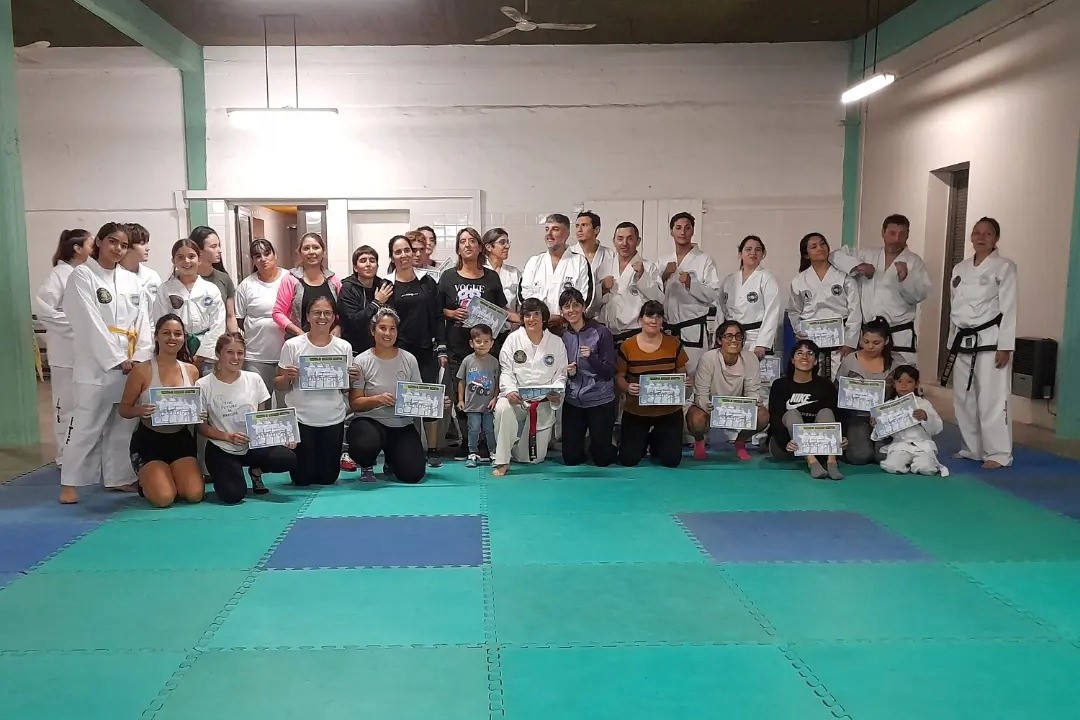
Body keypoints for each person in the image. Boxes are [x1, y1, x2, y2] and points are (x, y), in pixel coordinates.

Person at [59, 223, 153, 504]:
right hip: (96, 365)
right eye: (112, 242)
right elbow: (88, 321)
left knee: (123, 425)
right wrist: (117, 358)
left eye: (123, 245)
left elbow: (144, 321)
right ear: (99, 242)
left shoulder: (131, 281)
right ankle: (69, 482)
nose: (118, 249)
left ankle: (118, 477)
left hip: (130, 361)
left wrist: (140, 357)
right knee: (86, 425)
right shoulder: (83, 276)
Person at [942, 217, 1017, 469]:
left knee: (992, 398)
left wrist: (1005, 346)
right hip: (962, 339)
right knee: (963, 397)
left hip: (990, 340)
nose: (981, 237)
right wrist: (951, 343)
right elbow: (954, 308)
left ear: (996, 238)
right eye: (976, 232)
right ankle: (972, 448)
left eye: (987, 233)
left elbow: (1009, 308)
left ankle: (998, 453)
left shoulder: (1004, 267)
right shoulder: (960, 269)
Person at [438, 227, 512, 460]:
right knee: (463, 394)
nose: (467, 245)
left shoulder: (491, 277)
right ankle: (467, 441)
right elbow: (436, 310)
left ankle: (485, 441)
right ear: (458, 248)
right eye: (462, 241)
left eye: (472, 241)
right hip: (458, 347)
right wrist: (451, 313)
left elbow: (502, 310)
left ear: (480, 247)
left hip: (486, 348)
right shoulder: (448, 277)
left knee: (486, 391)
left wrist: (527, 318)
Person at [198, 333, 298, 503]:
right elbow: (201, 427)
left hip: (252, 445)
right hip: (222, 447)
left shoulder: (254, 379)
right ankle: (228, 472)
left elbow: (262, 418)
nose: (235, 358)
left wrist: (282, 436)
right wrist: (227, 436)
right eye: (230, 352)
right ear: (218, 354)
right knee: (232, 496)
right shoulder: (203, 384)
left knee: (288, 458)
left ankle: (256, 471)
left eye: (240, 353)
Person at [118, 314, 204, 508]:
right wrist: (139, 410)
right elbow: (124, 409)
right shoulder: (142, 371)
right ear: (156, 336)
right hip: (149, 440)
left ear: (184, 337)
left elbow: (196, 405)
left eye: (177, 334)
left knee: (194, 494)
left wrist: (199, 413)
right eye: (166, 333)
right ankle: (147, 482)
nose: (172, 338)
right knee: (164, 498)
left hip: (180, 439)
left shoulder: (191, 371)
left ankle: (170, 476)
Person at [276, 296, 357, 486]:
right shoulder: (293, 345)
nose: (322, 317)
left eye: (327, 313)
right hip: (301, 419)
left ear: (334, 317)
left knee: (328, 479)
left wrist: (351, 378)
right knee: (302, 479)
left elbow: (345, 388)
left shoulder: (343, 347)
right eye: (317, 312)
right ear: (307, 316)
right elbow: (278, 385)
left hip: (333, 418)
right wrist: (286, 377)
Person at [830, 214, 931, 366]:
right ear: (883, 232)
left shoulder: (914, 262)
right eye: (892, 233)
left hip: (899, 334)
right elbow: (834, 255)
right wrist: (858, 266)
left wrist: (905, 279)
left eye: (902, 234)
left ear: (908, 235)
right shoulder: (866, 254)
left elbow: (919, 295)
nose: (897, 238)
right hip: (869, 336)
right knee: (867, 376)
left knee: (900, 376)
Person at [386, 233, 448, 467]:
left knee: (429, 399)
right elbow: (383, 322)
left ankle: (432, 450)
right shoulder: (386, 285)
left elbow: (438, 316)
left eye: (407, 250)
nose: (403, 255)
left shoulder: (427, 282)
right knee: (401, 402)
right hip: (398, 352)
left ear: (413, 253)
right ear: (392, 256)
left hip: (426, 349)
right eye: (398, 252)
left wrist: (441, 347)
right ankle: (400, 449)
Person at [347, 307, 428, 484]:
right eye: (382, 328)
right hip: (370, 421)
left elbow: (420, 395)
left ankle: (392, 460)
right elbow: (355, 403)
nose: (387, 333)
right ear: (372, 331)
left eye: (392, 329)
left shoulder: (409, 359)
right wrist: (377, 400)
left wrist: (437, 402)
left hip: (401, 423)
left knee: (413, 475)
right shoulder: (361, 361)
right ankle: (367, 464)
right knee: (365, 444)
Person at [35, 228, 94, 467]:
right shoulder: (59, 275)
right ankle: (65, 457)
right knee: (66, 406)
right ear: (77, 248)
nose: (94, 249)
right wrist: (77, 325)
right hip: (65, 355)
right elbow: (43, 310)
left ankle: (83, 456)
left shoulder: (85, 274)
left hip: (86, 355)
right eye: (91, 244)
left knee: (85, 407)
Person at [492, 298, 568, 477]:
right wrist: (509, 391)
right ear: (522, 318)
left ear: (544, 318)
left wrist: (556, 393)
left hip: (541, 404)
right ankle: (502, 460)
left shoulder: (556, 343)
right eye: (527, 315)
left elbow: (561, 374)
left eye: (536, 314)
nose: (531, 319)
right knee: (502, 408)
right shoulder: (513, 339)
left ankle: (515, 445)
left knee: (532, 459)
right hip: (516, 399)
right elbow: (506, 371)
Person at [616, 300, 689, 468]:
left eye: (658, 317)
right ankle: (642, 439)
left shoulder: (674, 343)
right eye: (649, 316)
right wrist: (627, 387)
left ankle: (657, 439)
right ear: (640, 319)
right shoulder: (627, 346)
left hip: (668, 411)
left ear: (662, 320)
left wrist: (684, 380)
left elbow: (682, 371)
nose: (654, 321)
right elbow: (619, 377)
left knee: (671, 461)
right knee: (628, 460)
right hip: (636, 410)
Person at [687, 320, 769, 462]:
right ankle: (699, 441)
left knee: (763, 416)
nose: (734, 340)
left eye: (738, 336)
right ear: (720, 340)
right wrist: (707, 405)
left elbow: (752, 391)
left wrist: (754, 401)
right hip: (710, 407)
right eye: (728, 336)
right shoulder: (708, 358)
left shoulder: (750, 358)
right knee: (697, 419)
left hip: (737, 409)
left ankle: (740, 442)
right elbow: (701, 393)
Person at [768, 339, 846, 480]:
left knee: (826, 412)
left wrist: (841, 437)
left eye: (810, 353)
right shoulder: (780, 385)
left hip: (820, 445)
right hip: (790, 446)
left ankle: (832, 461)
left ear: (815, 361)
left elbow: (837, 415)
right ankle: (812, 462)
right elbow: (775, 418)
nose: (804, 357)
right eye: (799, 353)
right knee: (791, 413)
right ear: (792, 360)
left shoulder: (825, 385)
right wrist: (786, 442)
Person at [788, 232, 862, 380]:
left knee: (839, 380)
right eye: (814, 246)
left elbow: (855, 310)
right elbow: (794, 311)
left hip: (840, 340)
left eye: (823, 244)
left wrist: (850, 341)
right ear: (806, 254)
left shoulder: (844, 277)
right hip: (811, 339)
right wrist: (799, 331)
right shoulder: (799, 280)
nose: (820, 248)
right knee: (812, 382)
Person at [660, 212, 722, 380]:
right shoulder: (663, 261)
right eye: (678, 228)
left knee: (693, 377)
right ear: (671, 231)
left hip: (692, 328)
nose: (683, 232)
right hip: (667, 329)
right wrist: (664, 275)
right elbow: (654, 294)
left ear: (693, 231)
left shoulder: (704, 260)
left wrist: (690, 283)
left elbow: (714, 294)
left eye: (687, 228)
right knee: (668, 378)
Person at [560, 288, 617, 467]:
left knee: (602, 460)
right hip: (573, 400)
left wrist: (591, 358)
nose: (571, 310)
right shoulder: (562, 335)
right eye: (566, 307)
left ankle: (606, 442)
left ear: (584, 307)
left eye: (576, 305)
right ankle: (585, 442)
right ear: (561, 311)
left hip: (599, 398)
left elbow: (609, 371)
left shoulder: (601, 332)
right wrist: (568, 372)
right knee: (570, 459)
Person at [151, 238, 226, 374]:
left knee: (207, 385)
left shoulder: (211, 289)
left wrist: (201, 355)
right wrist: (175, 349)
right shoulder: (165, 289)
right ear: (173, 261)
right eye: (180, 257)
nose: (186, 261)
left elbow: (218, 325)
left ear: (199, 259)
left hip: (207, 355)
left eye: (191, 256)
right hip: (175, 350)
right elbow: (160, 323)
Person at [835, 318, 898, 465]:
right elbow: (837, 389)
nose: (870, 346)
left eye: (876, 343)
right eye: (866, 341)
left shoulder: (896, 362)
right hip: (856, 416)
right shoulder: (850, 360)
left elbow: (904, 392)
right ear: (860, 340)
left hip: (884, 417)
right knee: (859, 456)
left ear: (886, 341)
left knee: (884, 457)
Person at [235, 239, 287, 408]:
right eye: (257, 256)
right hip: (256, 356)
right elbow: (239, 320)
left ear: (275, 254)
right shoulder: (246, 286)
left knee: (286, 405)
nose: (263, 259)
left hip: (287, 355)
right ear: (253, 260)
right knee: (259, 406)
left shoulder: (289, 279)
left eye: (267, 254)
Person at [519, 213, 593, 330]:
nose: (549, 234)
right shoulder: (534, 262)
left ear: (566, 234)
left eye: (555, 229)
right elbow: (523, 296)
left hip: (569, 327)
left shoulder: (579, 262)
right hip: (538, 327)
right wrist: (542, 317)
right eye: (547, 229)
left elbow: (585, 297)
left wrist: (563, 317)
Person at [719, 235, 782, 366]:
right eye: (748, 249)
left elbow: (772, 312)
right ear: (740, 254)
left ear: (763, 254)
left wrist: (762, 343)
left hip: (755, 337)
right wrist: (719, 337)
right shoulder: (729, 280)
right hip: (731, 337)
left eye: (758, 250)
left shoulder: (766, 278)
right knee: (731, 373)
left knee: (754, 374)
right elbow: (721, 310)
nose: (753, 253)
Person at [875, 365, 948, 476]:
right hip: (900, 445)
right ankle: (907, 464)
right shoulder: (889, 406)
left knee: (926, 469)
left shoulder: (924, 404)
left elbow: (937, 428)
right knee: (891, 466)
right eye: (899, 381)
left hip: (922, 445)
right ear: (894, 384)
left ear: (916, 384)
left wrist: (926, 417)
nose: (903, 385)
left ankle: (917, 463)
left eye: (909, 382)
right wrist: (877, 424)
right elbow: (882, 434)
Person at [599, 221, 664, 345]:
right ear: (614, 241)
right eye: (620, 239)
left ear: (638, 241)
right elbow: (594, 304)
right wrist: (602, 288)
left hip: (636, 333)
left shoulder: (649, 267)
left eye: (630, 239)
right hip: (608, 334)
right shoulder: (604, 267)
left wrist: (642, 277)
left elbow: (659, 300)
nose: (624, 243)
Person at [273, 232, 343, 339]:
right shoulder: (290, 279)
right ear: (300, 253)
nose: (311, 252)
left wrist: (339, 326)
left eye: (316, 247)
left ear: (323, 252)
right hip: (299, 342)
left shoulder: (334, 280)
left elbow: (343, 311)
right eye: (306, 248)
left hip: (330, 341)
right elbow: (278, 313)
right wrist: (299, 333)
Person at [456, 324, 500, 468]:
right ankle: (472, 453)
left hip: (488, 405)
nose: (482, 345)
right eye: (478, 341)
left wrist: (495, 398)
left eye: (486, 341)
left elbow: (497, 383)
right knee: (473, 429)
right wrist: (461, 400)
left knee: (489, 429)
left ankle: (493, 453)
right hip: (472, 405)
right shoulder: (467, 361)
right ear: (471, 343)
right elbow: (461, 381)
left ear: (492, 343)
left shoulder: (494, 362)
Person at [339, 244, 393, 356]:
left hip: (380, 349)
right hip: (355, 350)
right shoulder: (348, 288)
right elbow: (352, 322)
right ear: (355, 267)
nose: (368, 264)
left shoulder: (384, 286)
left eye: (372, 261)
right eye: (363, 261)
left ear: (377, 266)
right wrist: (376, 303)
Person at [190, 226, 238, 334]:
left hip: (219, 338)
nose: (219, 250)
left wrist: (235, 338)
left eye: (219, 245)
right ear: (199, 251)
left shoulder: (224, 279)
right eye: (214, 246)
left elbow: (230, 316)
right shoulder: (184, 278)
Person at [569, 211, 616, 318]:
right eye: (577, 226)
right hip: (573, 314)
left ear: (596, 230)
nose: (579, 230)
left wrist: (604, 288)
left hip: (601, 316)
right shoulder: (569, 255)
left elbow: (612, 288)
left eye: (584, 225)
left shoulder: (609, 255)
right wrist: (601, 287)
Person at [483, 227, 522, 333]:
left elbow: (521, 304)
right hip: (484, 333)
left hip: (509, 331)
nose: (507, 246)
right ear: (488, 247)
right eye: (502, 242)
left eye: (508, 242)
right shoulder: (480, 272)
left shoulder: (514, 273)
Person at [120, 223, 163, 307]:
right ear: (126, 246)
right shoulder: (114, 277)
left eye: (147, 243)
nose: (147, 248)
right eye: (142, 244)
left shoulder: (152, 276)